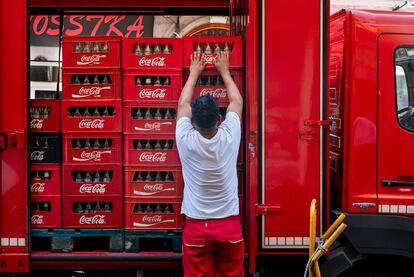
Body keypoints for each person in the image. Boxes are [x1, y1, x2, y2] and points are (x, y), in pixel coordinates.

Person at [175, 51, 244, 277]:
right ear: (219, 118)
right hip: (229, 227)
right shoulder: (229, 136)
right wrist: (224, 70)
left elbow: (183, 102)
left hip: (197, 228)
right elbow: (236, 101)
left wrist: (194, 72)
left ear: (193, 121)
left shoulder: (186, 139)